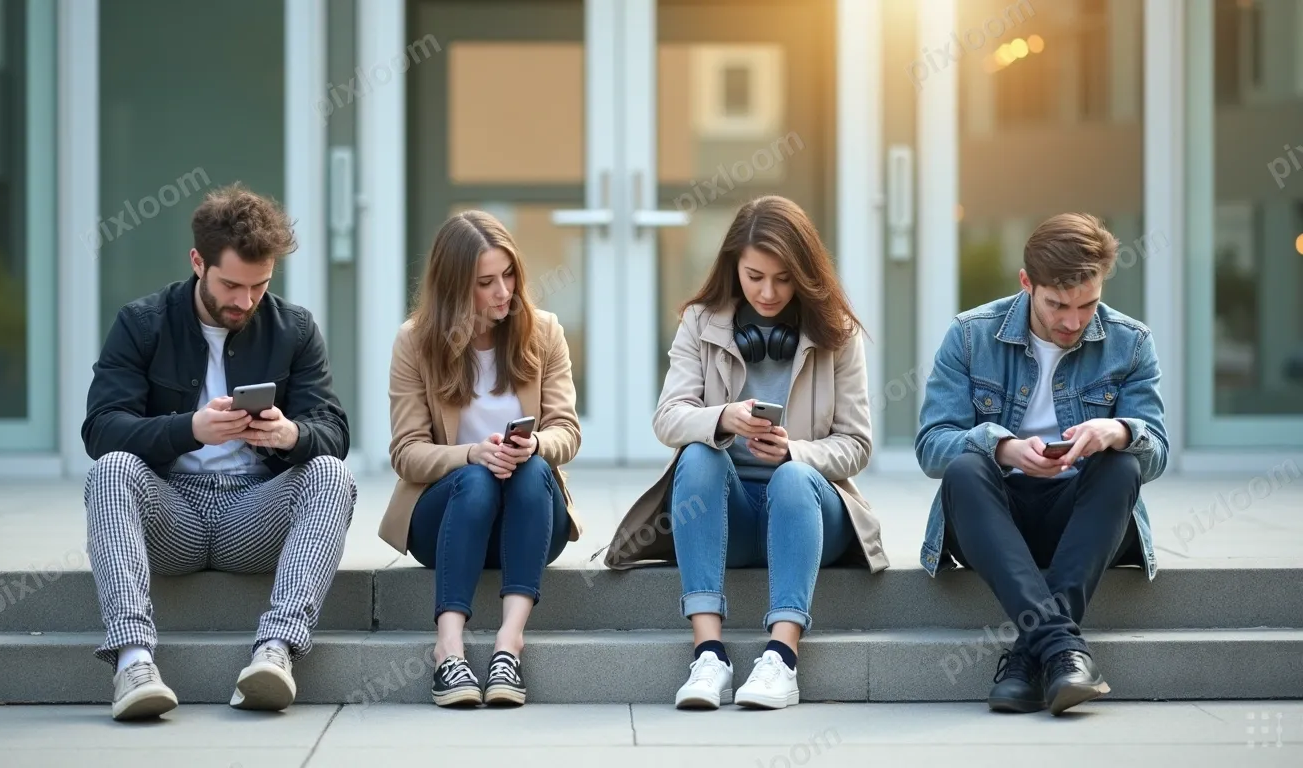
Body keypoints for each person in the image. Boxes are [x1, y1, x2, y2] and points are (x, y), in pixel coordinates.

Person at [81, 183, 357, 721]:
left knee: (329, 473)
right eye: (231, 284)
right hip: (171, 512)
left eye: (259, 286)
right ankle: (134, 662)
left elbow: (333, 431)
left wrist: (291, 437)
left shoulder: (294, 329)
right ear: (197, 262)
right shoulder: (142, 322)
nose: (244, 301)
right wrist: (190, 430)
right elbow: (101, 431)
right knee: (112, 471)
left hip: (253, 514)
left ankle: (275, 652)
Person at [602, 195, 888, 711]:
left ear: (805, 272)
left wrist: (795, 452)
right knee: (697, 455)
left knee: (793, 479)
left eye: (783, 278)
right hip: (726, 517)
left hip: (810, 513)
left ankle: (781, 658)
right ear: (734, 266)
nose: (769, 292)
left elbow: (857, 444)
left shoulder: (837, 333)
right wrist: (722, 418)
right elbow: (667, 417)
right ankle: (709, 655)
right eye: (755, 276)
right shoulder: (699, 322)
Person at [915, 212, 1168, 716]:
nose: (1073, 321)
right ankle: (1061, 650)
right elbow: (931, 445)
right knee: (966, 468)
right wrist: (1003, 447)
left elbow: (1156, 451)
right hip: (993, 524)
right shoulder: (969, 336)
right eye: (1057, 304)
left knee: (1122, 465)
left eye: (1087, 304)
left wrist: (1117, 432)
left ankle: (1029, 660)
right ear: (1027, 283)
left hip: (1085, 523)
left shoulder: (1131, 342)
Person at [380, 210, 582, 708]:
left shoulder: (544, 332)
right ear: (453, 288)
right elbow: (406, 454)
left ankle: (508, 645)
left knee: (532, 466)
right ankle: (448, 649)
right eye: (485, 282)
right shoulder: (415, 342)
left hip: (529, 517)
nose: (503, 292)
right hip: (448, 519)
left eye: (508, 275)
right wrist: (471, 454)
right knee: (476, 479)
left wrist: (536, 445)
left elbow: (567, 431)